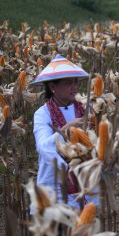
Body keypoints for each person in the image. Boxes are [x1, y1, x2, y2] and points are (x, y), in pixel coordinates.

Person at [31, 55, 98, 209]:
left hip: (86, 178)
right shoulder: (43, 114)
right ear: (52, 87)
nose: (74, 87)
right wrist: (66, 128)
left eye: (75, 82)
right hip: (55, 182)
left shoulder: (85, 108)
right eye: (69, 83)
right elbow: (44, 147)